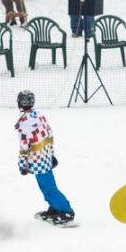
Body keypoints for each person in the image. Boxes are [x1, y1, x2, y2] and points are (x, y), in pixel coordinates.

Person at [15, 90, 75, 226]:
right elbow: (49, 134)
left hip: (37, 160)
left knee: (48, 187)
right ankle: (54, 207)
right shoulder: (40, 116)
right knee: (46, 185)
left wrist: (22, 165)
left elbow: (24, 147)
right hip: (46, 156)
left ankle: (66, 211)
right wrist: (52, 155)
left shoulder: (25, 123)